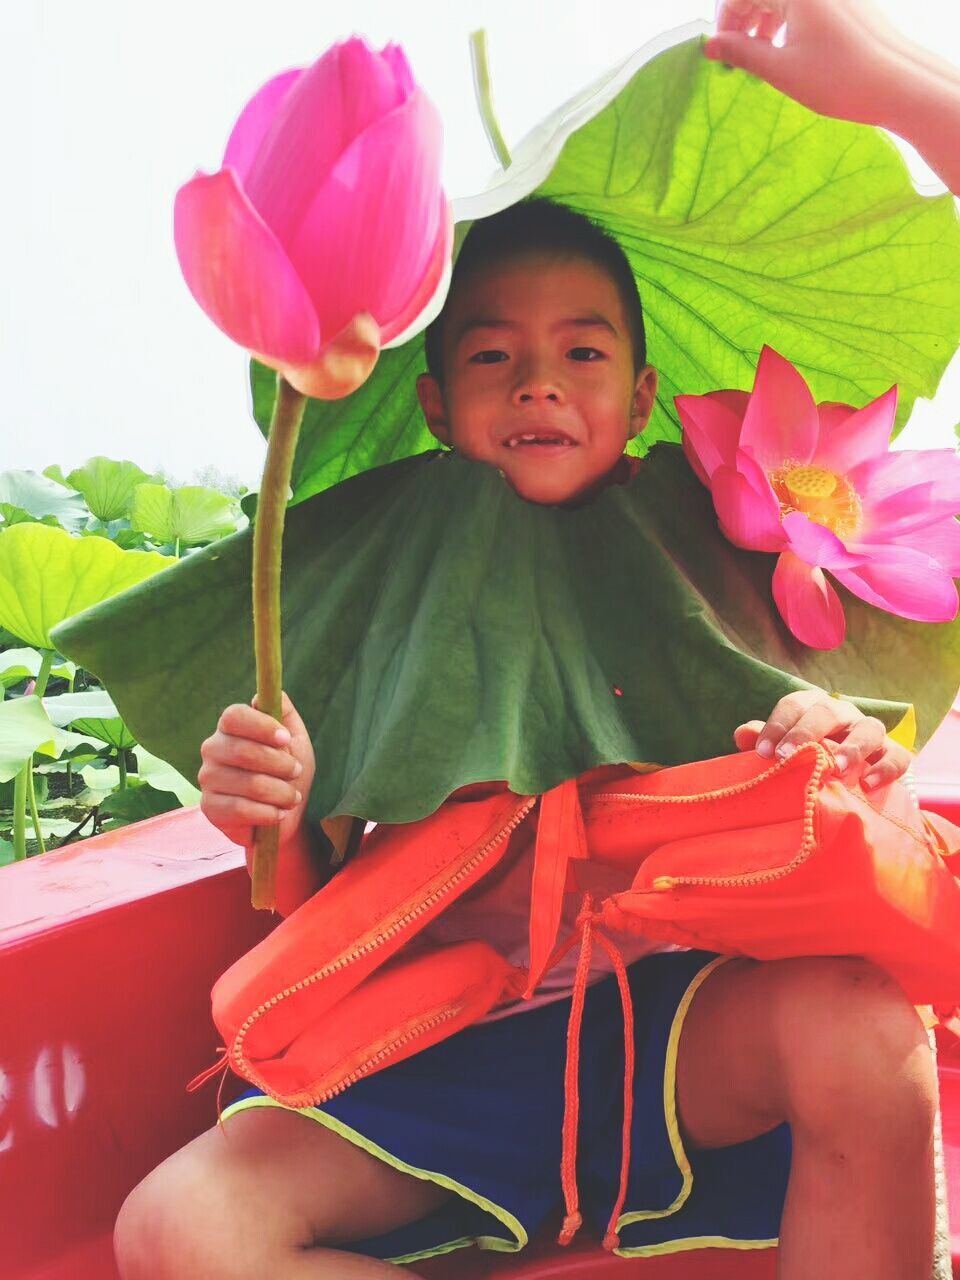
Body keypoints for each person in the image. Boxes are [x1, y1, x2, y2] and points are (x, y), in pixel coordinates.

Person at [113, 2, 960, 1276]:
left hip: (675, 1025)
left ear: (645, 395)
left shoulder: (727, 537)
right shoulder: (358, 566)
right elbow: (304, 882)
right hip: (425, 1043)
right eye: (495, 353)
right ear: (436, 399)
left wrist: (825, 743)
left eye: (583, 351)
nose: (540, 381)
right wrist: (270, 805)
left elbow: (816, 793)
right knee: (176, 1225)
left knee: (859, 1025)